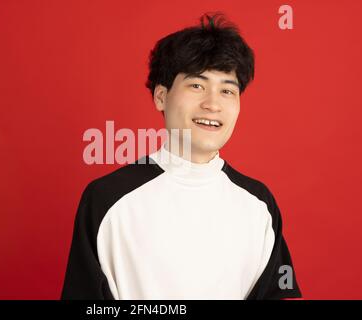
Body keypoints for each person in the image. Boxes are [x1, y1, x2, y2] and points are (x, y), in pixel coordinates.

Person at [61, 12, 302, 300]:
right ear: (161, 96)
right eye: (197, 85)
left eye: (227, 90)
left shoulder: (259, 203)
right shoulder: (107, 198)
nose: (213, 104)